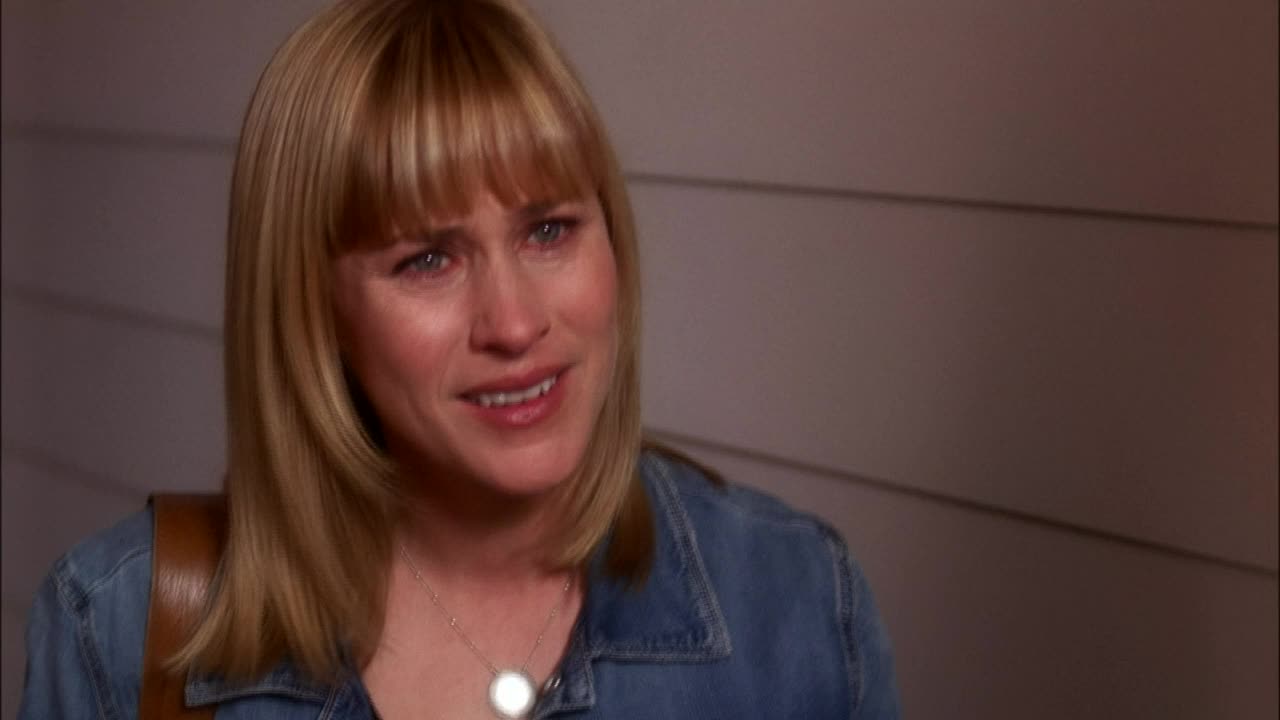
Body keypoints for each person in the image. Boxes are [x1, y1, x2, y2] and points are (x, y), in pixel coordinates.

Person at [19, 0, 900, 718]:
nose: (513, 324)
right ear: (311, 310)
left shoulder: (797, 602)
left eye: (549, 230)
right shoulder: (117, 630)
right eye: (427, 260)